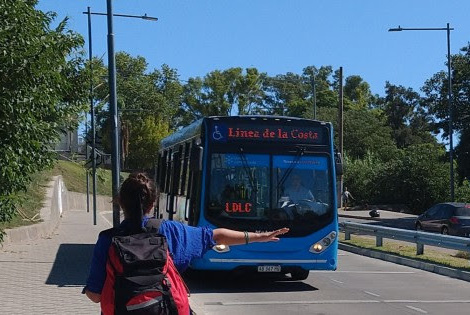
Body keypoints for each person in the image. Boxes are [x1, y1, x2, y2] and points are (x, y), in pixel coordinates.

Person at [83, 172, 289, 310]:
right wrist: (260, 236)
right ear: (154, 203)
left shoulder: (107, 240)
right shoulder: (172, 231)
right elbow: (216, 235)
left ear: (120, 201)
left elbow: (95, 295)